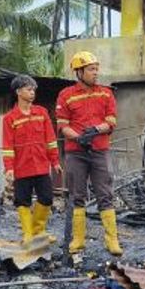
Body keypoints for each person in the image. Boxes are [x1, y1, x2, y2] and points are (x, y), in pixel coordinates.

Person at [56, 51, 122, 256]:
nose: (96, 73)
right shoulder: (66, 95)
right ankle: (78, 241)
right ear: (79, 72)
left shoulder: (106, 93)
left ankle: (112, 240)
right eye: (91, 69)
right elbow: (62, 125)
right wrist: (77, 137)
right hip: (76, 153)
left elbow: (112, 120)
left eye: (96, 69)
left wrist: (96, 130)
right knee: (77, 195)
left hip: (100, 151)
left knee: (105, 194)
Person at [2, 74, 62, 243]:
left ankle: (38, 231)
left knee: (47, 198)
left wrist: (55, 161)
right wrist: (9, 168)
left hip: (42, 166)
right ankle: (27, 234)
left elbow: (51, 140)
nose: (32, 93)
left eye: (33, 89)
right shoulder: (9, 119)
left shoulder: (42, 113)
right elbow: (7, 147)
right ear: (18, 92)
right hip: (22, 168)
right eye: (29, 89)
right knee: (22, 201)